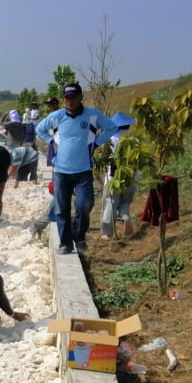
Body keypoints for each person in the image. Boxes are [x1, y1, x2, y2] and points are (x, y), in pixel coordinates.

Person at [35, 83, 118, 255]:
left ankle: (79, 237)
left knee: (85, 205)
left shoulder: (92, 116)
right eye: (66, 98)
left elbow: (111, 127)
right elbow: (40, 129)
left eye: (73, 97)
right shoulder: (57, 116)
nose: (69, 101)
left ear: (80, 97)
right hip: (61, 172)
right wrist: (51, 141)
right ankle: (65, 243)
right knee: (61, 209)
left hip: (83, 171)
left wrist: (97, 142)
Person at [100, 112, 139, 240]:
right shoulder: (134, 141)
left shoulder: (109, 141)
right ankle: (126, 218)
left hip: (113, 178)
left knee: (110, 202)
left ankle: (108, 232)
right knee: (125, 201)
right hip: (131, 178)